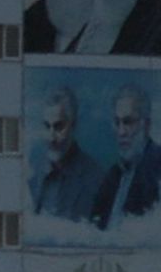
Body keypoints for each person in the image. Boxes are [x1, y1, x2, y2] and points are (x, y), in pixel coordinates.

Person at [28, 83, 107, 224]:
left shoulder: (96, 181)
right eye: (47, 126)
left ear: (73, 125)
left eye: (59, 127)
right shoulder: (31, 170)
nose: (51, 137)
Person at [96, 83, 161, 224]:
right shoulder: (112, 176)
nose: (121, 132)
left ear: (146, 125)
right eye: (117, 123)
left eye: (128, 122)